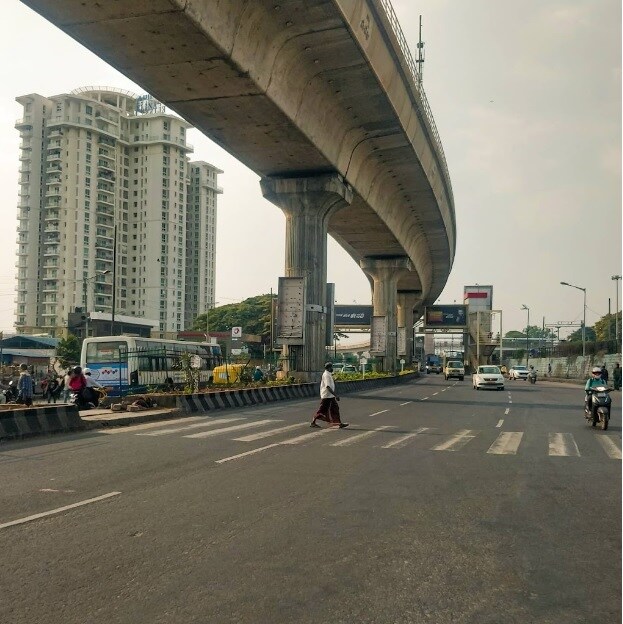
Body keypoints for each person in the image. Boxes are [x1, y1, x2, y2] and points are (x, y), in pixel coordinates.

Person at [310, 362, 349, 429]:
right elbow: (328, 387)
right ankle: (313, 422)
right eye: (331, 367)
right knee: (322, 410)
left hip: (330, 396)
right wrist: (336, 395)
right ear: (328, 368)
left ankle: (339, 423)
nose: (332, 368)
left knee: (335, 409)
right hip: (327, 396)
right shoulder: (326, 375)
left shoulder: (328, 374)